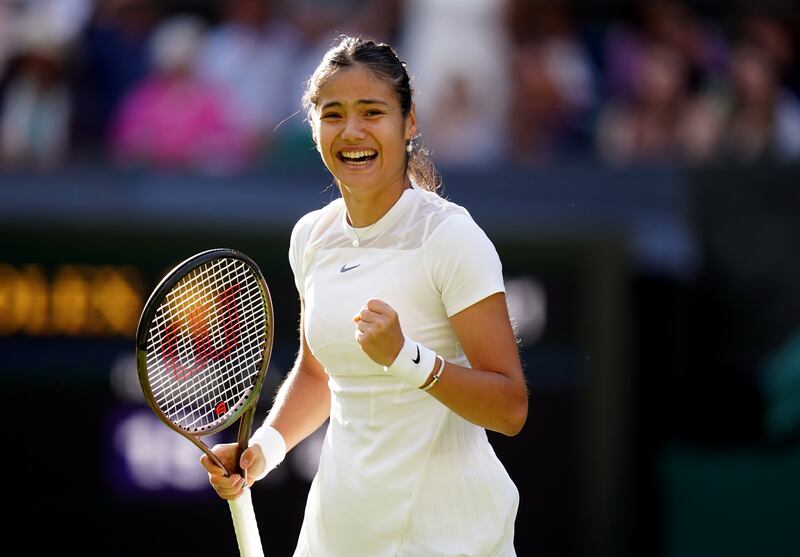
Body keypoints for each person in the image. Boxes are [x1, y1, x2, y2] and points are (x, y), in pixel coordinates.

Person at [201, 35, 528, 556]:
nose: (352, 131)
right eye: (333, 115)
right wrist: (262, 450)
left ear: (409, 122)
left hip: (449, 538)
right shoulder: (310, 236)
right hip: (340, 533)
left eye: (372, 112)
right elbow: (318, 374)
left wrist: (407, 359)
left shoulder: (451, 237)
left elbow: (510, 408)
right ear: (314, 127)